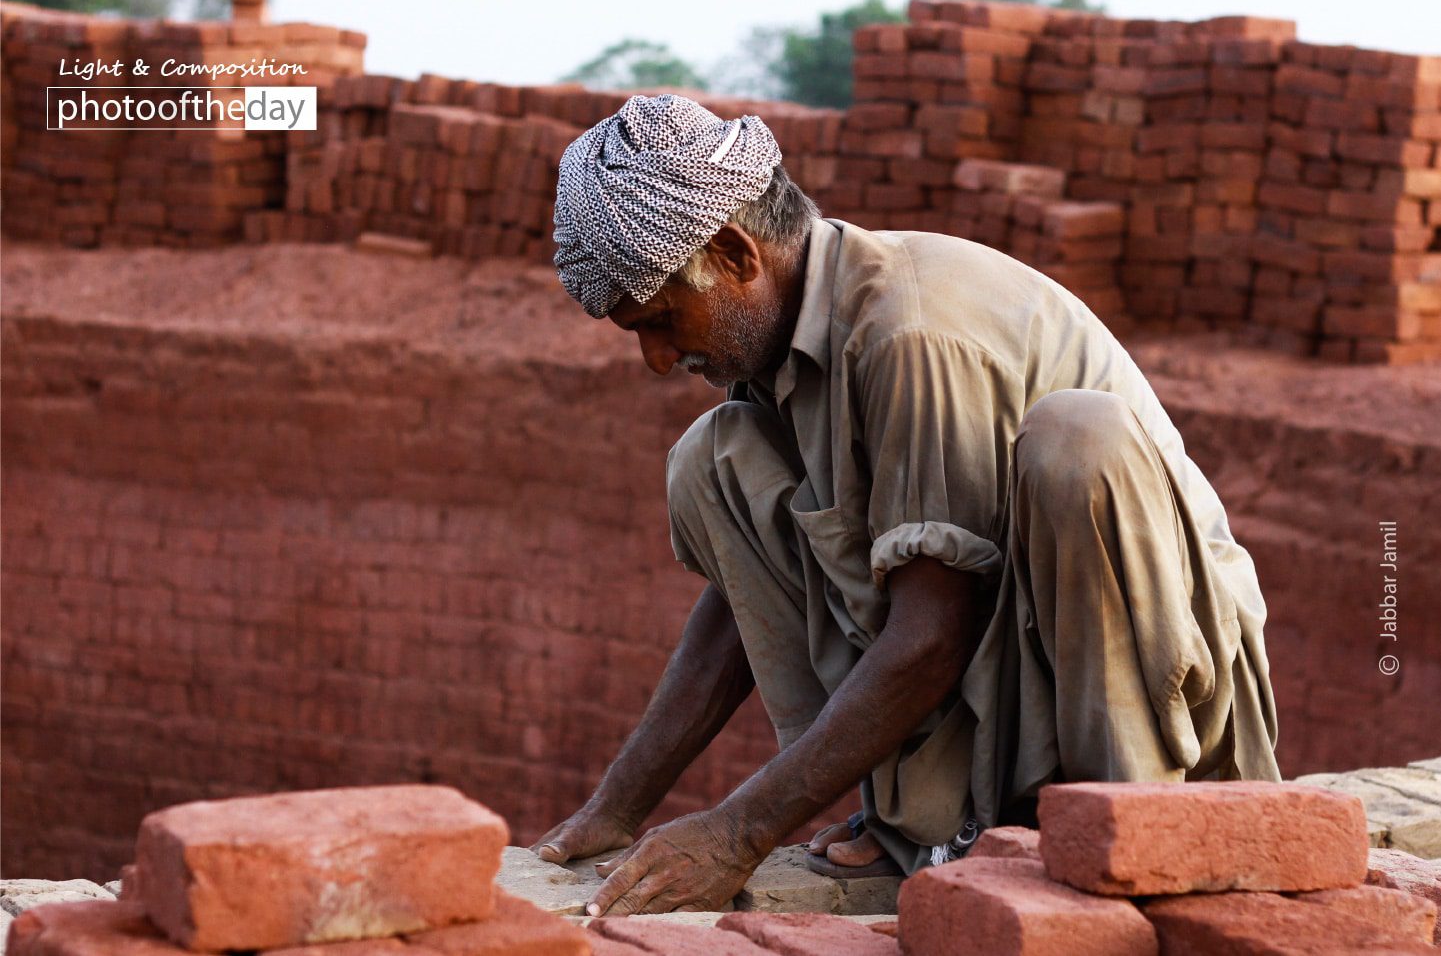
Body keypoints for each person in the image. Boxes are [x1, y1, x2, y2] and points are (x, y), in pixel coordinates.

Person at [535, 93, 1282, 917]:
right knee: (714, 461)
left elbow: (931, 636)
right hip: (1006, 663)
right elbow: (734, 607)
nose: (656, 358)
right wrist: (618, 806)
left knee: (1079, 439)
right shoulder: (777, 343)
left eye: (663, 320)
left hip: (1156, 698)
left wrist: (737, 832)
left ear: (734, 253)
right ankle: (933, 824)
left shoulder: (907, 333)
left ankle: (1117, 832)